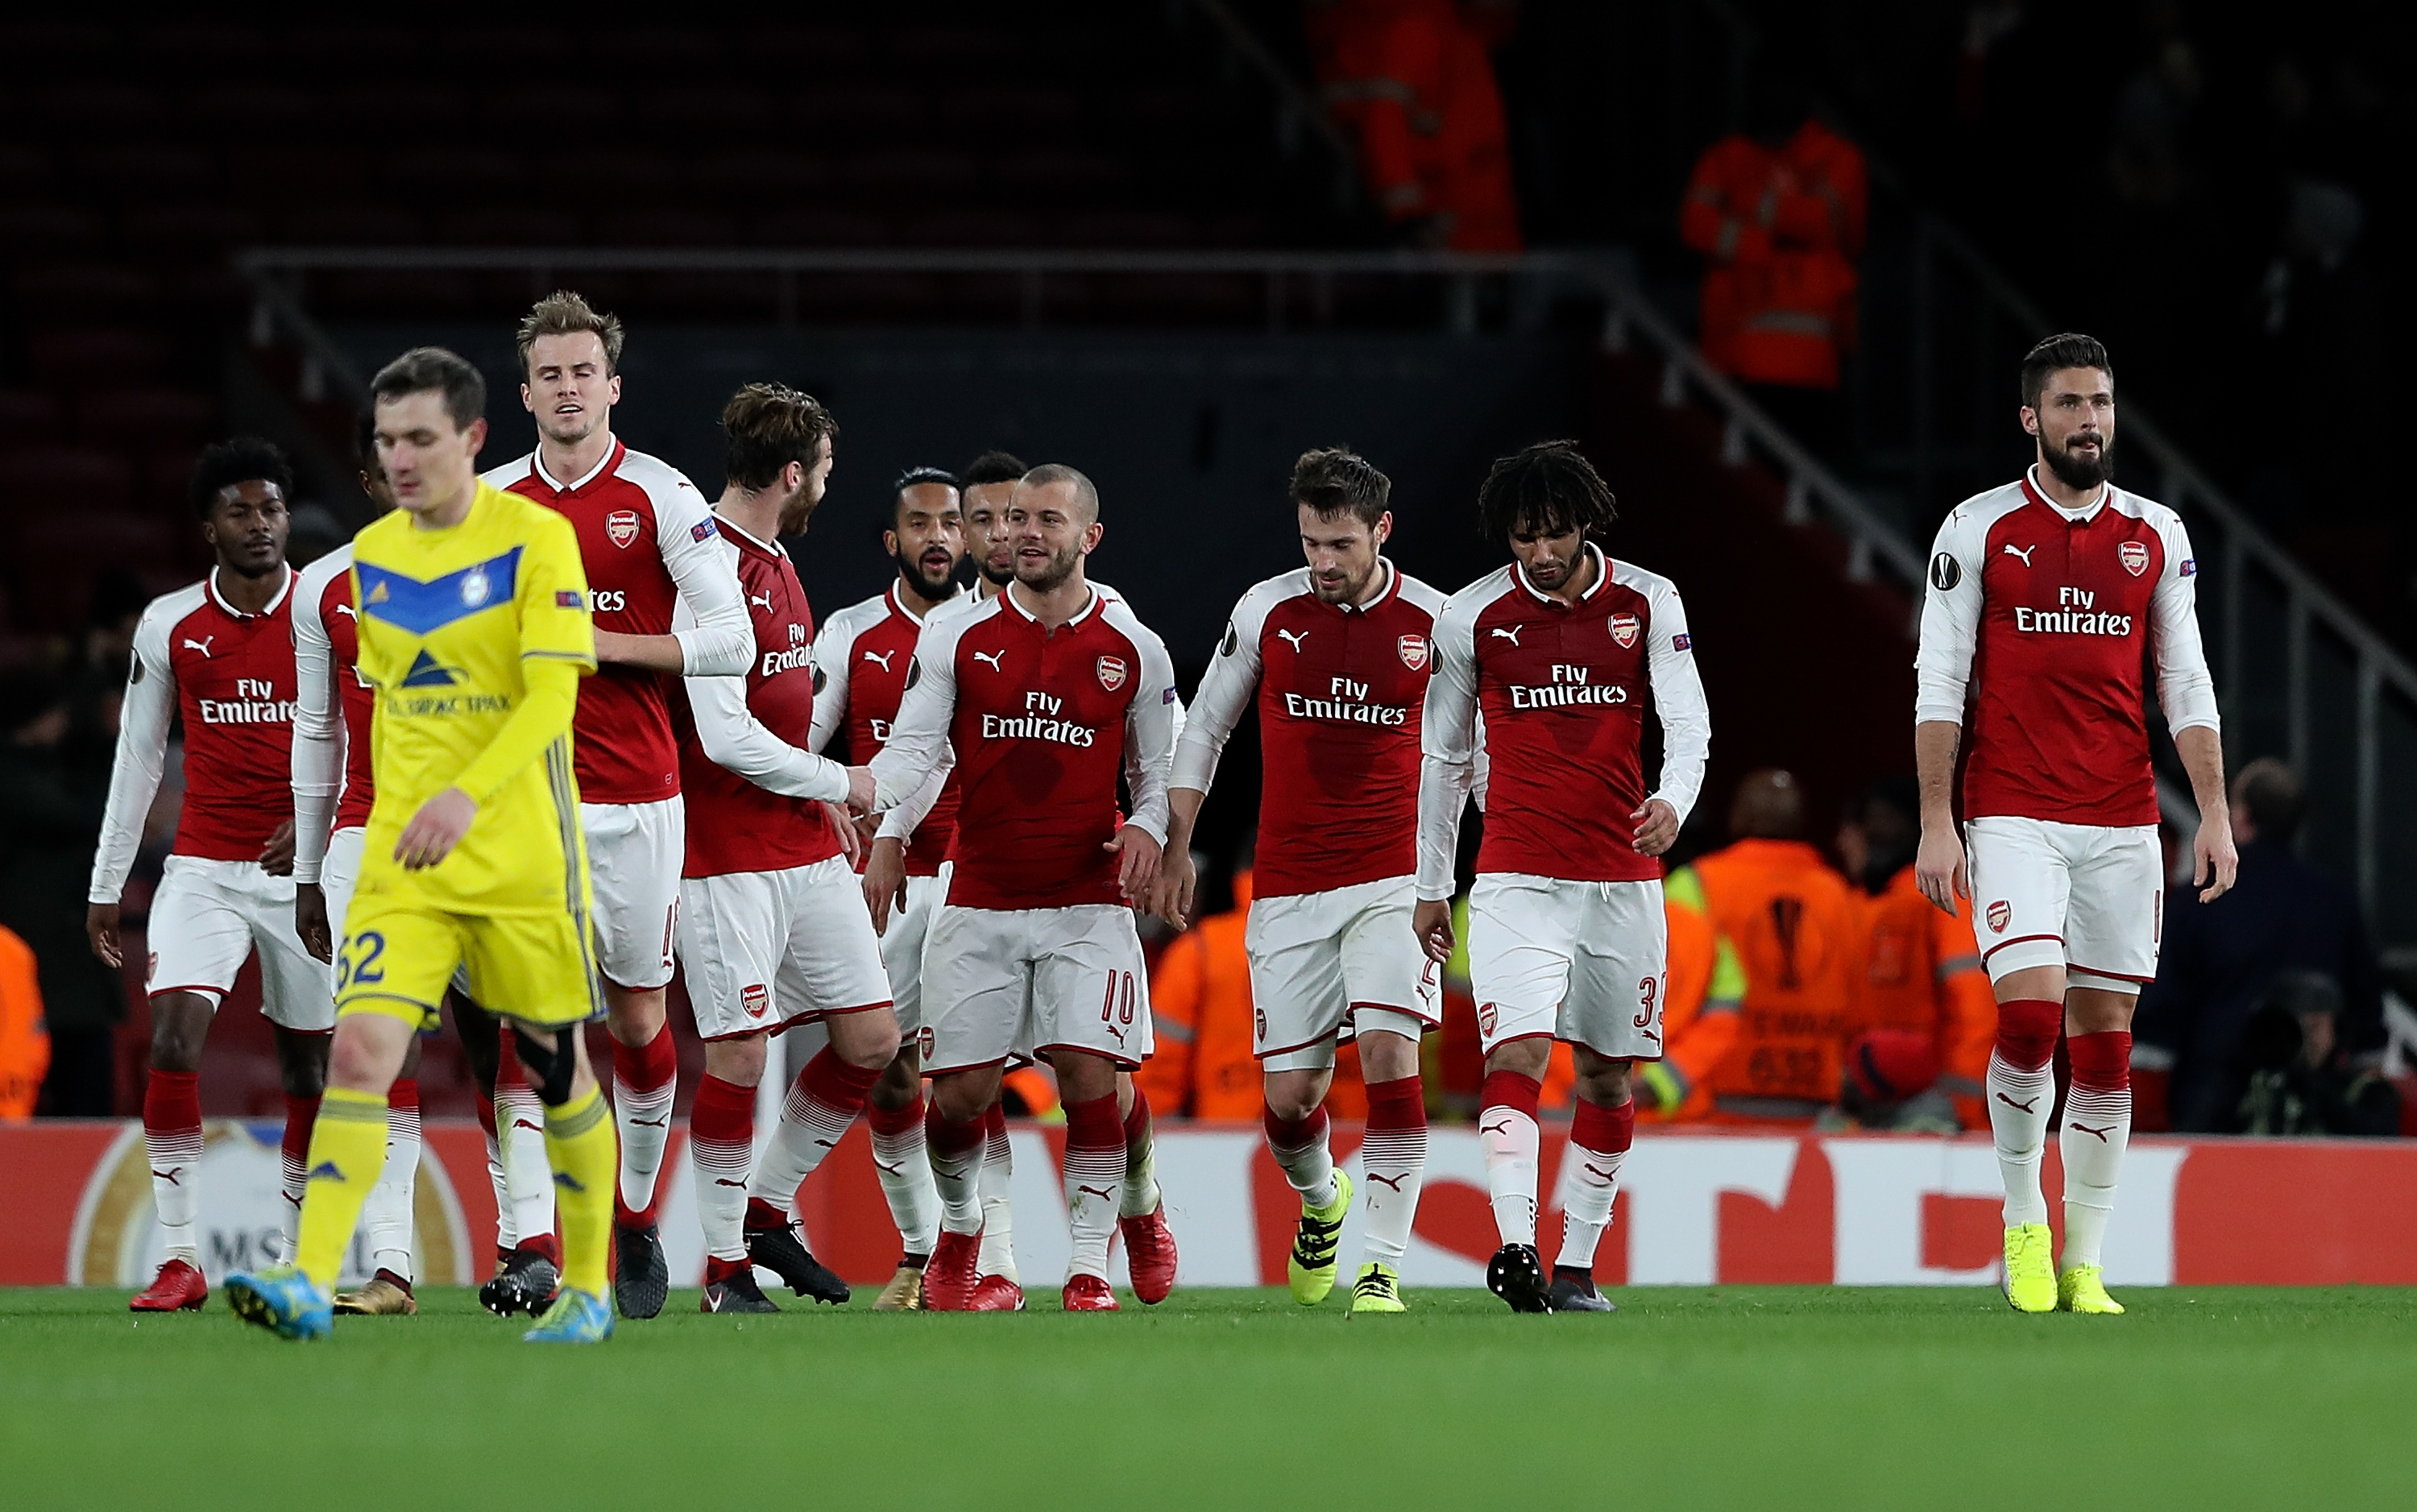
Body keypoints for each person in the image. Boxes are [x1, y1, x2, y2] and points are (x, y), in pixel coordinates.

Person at [226, 346, 617, 1344]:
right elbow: (393, 710)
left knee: (555, 1063)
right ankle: (314, 1280)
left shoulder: (536, 539)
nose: (400, 457)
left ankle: (587, 1286)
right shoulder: (374, 557)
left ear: (474, 439)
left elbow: (551, 701)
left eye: (421, 438)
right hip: (406, 855)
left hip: (521, 852)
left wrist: (467, 794)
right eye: (387, 440)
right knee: (359, 1048)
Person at [1914, 332, 2233, 1316]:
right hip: (2011, 809)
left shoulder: (2158, 534)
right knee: (2027, 1013)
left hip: (2124, 816)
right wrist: (1938, 819)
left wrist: (2214, 811)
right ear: (2031, 419)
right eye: (2067, 404)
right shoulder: (1977, 529)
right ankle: (2024, 1223)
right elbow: (1940, 679)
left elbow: (2183, 677)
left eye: (2098, 402)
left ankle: (2086, 1258)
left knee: (2105, 1041)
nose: (2087, 419)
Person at [483, 291, 752, 1320]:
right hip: (525, 806)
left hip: (640, 798)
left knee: (640, 1015)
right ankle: (533, 1243)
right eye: (549, 373)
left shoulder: (664, 496)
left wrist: (604, 647)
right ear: (525, 392)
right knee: (526, 1023)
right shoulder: (489, 503)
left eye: (582, 371)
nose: (566, 387)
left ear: (612, 385)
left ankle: (636, 1217)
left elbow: (731, 640)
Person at [870, 464, 1177, 1313]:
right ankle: (963, 1227)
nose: (1027, 531)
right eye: (1015, 518)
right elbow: (917, 755)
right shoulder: (958, 637)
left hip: (1088, 899)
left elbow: (1161, 771)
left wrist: (1151, 829)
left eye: (1048, 518)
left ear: (1090, 537)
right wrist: (880, 823)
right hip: (980, 897)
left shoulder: (1132, 646)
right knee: (959, 1096)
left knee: (1089, 1076)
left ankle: (1092, 1260)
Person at [1413, 440, 1710, 1314]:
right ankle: (1516, 1249)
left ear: (1587, 523)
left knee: (1610, 1075)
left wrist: (1675, 801)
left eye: (1553, 533)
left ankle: (1578, 1264)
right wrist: (1436, 882)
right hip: (1515, 877)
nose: (1540, 553)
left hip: (1623, 879)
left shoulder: (1648, 600)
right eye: (1522, 536)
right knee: (1517, 1052)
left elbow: (1688, 719)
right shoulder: (1471, 616)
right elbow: (1442, 757)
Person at [1155, 445, 1445, 1314]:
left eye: (1341, 545)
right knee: (1290, 1102)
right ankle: (1324, 1200)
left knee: (1395, 1056)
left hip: (1393, 877)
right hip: (1286, 886)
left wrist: (1451, 874)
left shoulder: (1435, 622)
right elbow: (1205, 726)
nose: (1323, 562)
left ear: (1381, 531)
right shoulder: (1268, 609)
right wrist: (1177, 845)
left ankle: (1383, 1268)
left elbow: (1474, 754)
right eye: (1312, 542)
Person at [670, 383, 896, 1315]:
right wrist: (842, 780)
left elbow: (775, 717)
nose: (827, 494)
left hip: (800, 842)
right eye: (827, 474)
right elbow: (721, 736)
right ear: (794, 472)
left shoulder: (780, 563)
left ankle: (763, 1210)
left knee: (872, 1037)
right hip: (722, 851)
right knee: (738, 1058)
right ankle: (722, 1268)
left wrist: (815, 791)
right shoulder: (704, 566)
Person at [87, 437, 319, 1314]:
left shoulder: (328, 611)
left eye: (271, 508)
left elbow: (371, 738)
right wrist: (106, 884)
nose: (259, 524)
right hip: (205, 869)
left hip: (309, 877)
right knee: (176, 1038)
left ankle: (298, 1255)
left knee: (308, 1066)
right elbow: (138, 758)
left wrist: (321, 822)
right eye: (239, 510)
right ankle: (180, 1256)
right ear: (207, 527)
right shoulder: (170, 623)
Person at [807, 465, 968, 1311]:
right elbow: (804, 736)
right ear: (892, 540)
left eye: (951, 522)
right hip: (891, 887)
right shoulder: (851, 632)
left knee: (1009, 1074)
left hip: (989, 878)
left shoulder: (1001, 627)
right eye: (920, 524)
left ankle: (1110, 1220)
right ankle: (920, 1254)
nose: (938, 536)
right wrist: (829, 795)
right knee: (893, 1071)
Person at [291, 413, 429, 1316]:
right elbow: (317, 731)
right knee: (370, 1045)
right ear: (368, 483)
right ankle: (391, 1265)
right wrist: (308, 868)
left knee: (521, 1047)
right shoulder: (323, 589)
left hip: (482, 841)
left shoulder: (497, 569)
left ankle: (529, 1246)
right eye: (389, 469)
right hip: (363, 837)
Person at [2136, 759, 2386, 1133]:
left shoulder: (2199, 900)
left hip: (2212, 1106)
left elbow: (2162, 1014)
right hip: (2317, 1111)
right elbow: (2366, 1010)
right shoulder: (2335, 902)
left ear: (2241, 816)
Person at [1839, 776, 1996, 1128]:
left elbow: (1975, 1008)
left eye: (1850, 829)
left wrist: (1961, 1106)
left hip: (1932, 1108)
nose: (1841, 843)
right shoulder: (1870, 904)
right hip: (1874, 1102)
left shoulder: (1941, 895)